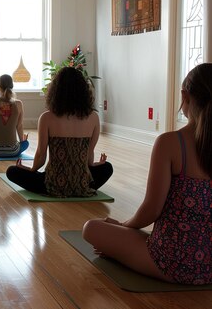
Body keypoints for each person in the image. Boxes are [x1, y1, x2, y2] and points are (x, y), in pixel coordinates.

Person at [83, 63, 212, 285]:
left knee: (91, 228)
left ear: (185, 96)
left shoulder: (171, 143)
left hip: (171, 262)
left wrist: (123, 226)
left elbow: (151, 210)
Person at [6, 67, 112, 197]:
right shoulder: (94, 118)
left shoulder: (46, 118)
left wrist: (31, 170)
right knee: (107, 168)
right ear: (83, 91)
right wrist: (97, 165)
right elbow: (89, 158)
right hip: (82, 183)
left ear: (55, 91)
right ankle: (78, 187)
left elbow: (41, 156)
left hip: (51, 185)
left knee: (12, 171)